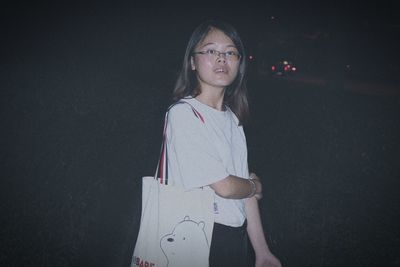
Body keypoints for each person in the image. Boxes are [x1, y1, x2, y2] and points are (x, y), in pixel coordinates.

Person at [165, 20, 281, 267]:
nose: (221, 59)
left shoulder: (233, 120)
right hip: (198, 235)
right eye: (210, 51)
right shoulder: (184, 114)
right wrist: (254, 185)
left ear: (239, 64)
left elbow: (243, 192)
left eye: (230, 52)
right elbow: (227, 187)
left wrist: (262, 251)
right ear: (192, 62)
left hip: (233, 238)